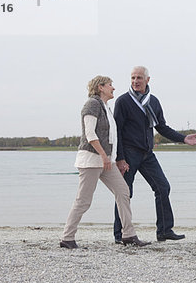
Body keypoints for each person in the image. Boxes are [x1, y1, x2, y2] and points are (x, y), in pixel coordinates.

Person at [113, 66, 196, 243]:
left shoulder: (153, 101)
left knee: (163, 188)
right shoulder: (123, 101)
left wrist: (183, 138)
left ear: (147, 80)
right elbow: (117, 132)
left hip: (147, 154)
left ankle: (164, 231)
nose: (135, 81)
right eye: (132, 78)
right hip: (128, 154)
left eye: (139, 78)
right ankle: (120, 234)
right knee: (124, 193)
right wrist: (120, 158)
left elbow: (161, 127)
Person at [60, 76, 149, 249]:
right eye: (110, 85)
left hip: (107, 162)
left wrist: (116, 161)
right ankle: (67, 238)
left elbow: (112, 138)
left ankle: (129, 235)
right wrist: (102, 155)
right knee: (83, 200)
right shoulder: (92, 104)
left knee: (123, 191)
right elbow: (90, 134)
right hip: (91, 161)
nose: (113, 88)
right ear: (100, 87)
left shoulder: (106, 107)